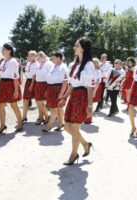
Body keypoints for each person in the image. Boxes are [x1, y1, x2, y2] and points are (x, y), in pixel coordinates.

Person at [58, 37, 96, 165]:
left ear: (83, 49)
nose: (74, 47)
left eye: (77, 45)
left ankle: (73, 155)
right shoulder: (75, 65)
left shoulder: (89, 64)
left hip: (82, 96)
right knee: (67, 126)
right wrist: (64, 96)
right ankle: (85, 144)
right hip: (74, 95)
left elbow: (90, 86)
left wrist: (90, 105)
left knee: (74, 127)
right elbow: (72, 84)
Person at [0, 43, 23, 134]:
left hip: (11, 84)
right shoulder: (3, 61)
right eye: (2, 49)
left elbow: (15, 77)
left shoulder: (13, 61)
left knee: (13, 105)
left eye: (3, 49)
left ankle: (20, 123)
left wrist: (16, 90)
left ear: (9, 50)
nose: (2, 51)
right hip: (3, 84)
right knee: (0, 105)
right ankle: (2, 125)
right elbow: (1, 74)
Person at [42, 51, 68, 132]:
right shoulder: (54, 66)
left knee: (54, 108)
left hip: (58, 89)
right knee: (58, 108)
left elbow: (65, 81)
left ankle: (49, 126)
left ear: (58, 58)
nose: (51, 59)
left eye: (53, 57)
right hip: (51, 88)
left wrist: (61, 93)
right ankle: (60, 124)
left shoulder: (63, 67)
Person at [34, 51, 53, 125]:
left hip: (45, 84)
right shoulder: (39, 64)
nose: (38, 59)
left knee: (41, 102)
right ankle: (42, 117)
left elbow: (51, 75)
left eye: (40, 57)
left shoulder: (49, 63)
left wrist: (49, 87)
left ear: (44, 56)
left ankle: (47, 116)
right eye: (38, 57)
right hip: (38, 84)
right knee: (38, 102)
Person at [85, 58, 102, 123]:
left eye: (94, 62)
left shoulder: (98, 71)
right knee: (87, 103)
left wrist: (94, 91)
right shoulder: (90, 70)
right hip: (88, 88)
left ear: (97, 64)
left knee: (90, 103)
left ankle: (89, 118)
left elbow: (97, 82)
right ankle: (86, 116)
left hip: (94, 88)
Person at [22, 51, 38, 122]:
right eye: (28, 55)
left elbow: (34, 75)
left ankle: (41, 116)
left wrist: (32, 84)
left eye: (30, 55)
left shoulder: (36, 64)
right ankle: (24, 116)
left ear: (34, 56)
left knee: (38, 100)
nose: (28, 57)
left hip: (34, 82)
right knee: (25, 99)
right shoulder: (28, 63)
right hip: (28, 81)